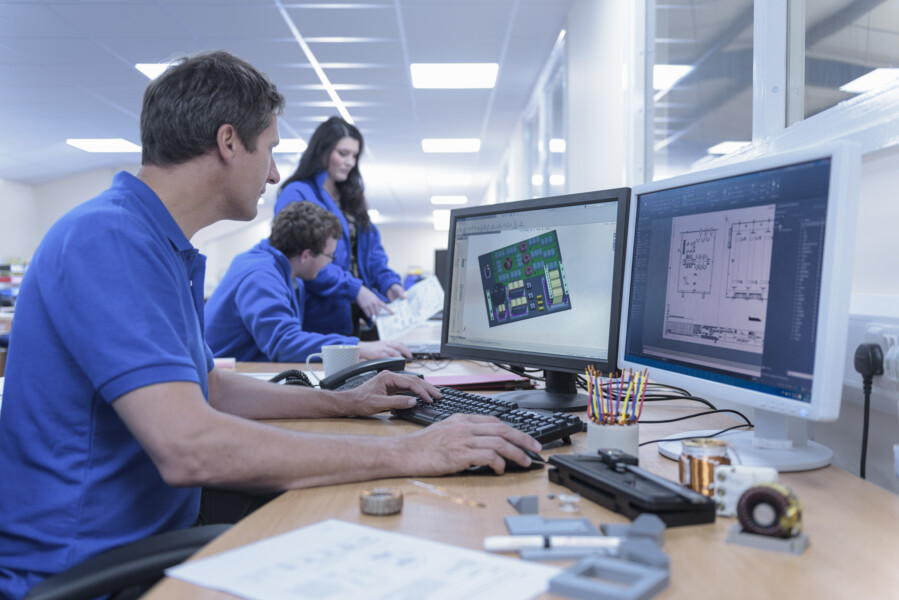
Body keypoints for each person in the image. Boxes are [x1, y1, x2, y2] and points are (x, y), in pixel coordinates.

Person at [0, 51, 541, 598]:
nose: (278, 173)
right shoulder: (109, 239)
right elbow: (190, 446)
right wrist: (408, 453)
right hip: (88, 568)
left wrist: (347, 402)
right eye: (272, 149)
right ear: (230, 142)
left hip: (149, 533)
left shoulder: (155, 242)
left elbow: (207, 388)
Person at [205, 201, 410, 362]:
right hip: (229, 376)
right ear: (306, 255)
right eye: (330, 256)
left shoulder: (285, 270)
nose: (330, 262)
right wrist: (359, 347)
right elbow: (284, 343)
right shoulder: (261, 276)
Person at [275, 116, 405, 338]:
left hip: (354, 314)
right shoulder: (297, 193)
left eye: (354, 156)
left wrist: (389, 283)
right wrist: (355, 289)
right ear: (322, 151)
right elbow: (306, 258)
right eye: (343, 153)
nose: (350, 162)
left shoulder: (352, 198)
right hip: (318, 316)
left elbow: (372, 254)